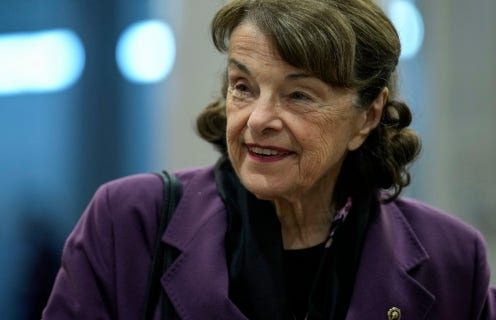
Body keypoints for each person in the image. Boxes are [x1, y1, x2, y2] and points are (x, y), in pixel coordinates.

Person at [42, 0, 496, 319]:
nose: (258, 120)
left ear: (368, 115)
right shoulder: (129, 223)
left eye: (299, 95)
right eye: (243, 86)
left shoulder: (452, 261)